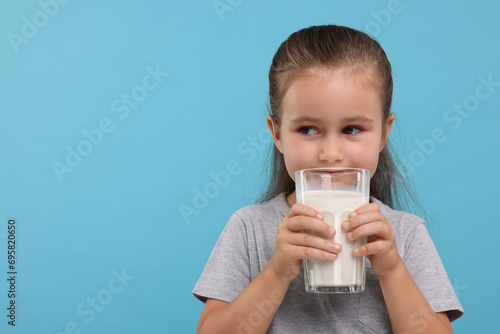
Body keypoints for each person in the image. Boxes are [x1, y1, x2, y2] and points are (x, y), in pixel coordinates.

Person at [192, 24, 464, 333]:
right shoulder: (248, 229)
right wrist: (277, 271)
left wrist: (392, 270)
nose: (331, 153)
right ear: (277, 134)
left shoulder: (405, 234)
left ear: (384, 133)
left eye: (352, 129)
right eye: (308, 129)